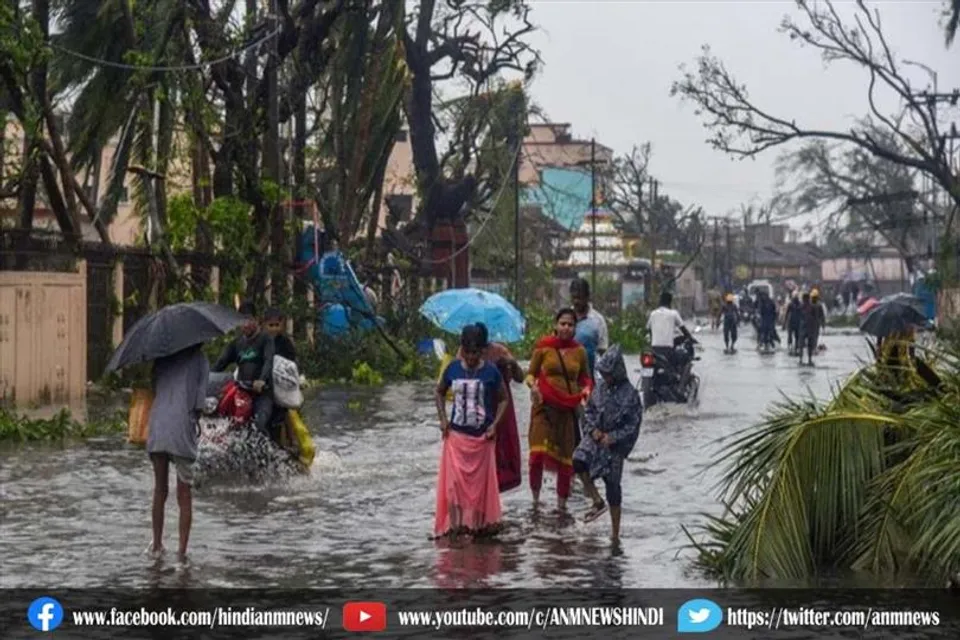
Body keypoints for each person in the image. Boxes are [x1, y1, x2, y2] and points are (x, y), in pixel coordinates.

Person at [434, 325, 508, 538]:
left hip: (482, 439)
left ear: (483, 351)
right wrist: (443, 419)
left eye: (477, 352)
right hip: (456, 438)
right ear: (462, 350)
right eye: (468, 352)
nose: (472, 356)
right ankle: (455, 527)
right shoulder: (453, 369)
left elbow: (503, 398)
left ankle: (476, 527)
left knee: (478, 488)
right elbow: (439, 393)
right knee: (453, 486)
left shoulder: (491, 372)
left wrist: (495, 425)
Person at [572, 345, 642, 544]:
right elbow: (590, 411)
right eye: (603, 373)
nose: (606, 377)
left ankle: (615, 533)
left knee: (613, 486)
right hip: (595, 438)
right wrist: (592, 430)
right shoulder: (600, 388)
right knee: (578, 460)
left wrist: (614, 437)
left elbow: (633, 424)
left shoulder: (631, 394)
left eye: (608, 373)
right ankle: (596, 500)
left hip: (614, 445)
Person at [526, 308, 593, 511]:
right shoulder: (543, 347)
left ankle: (561, 507)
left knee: (566, 461)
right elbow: (530, 374)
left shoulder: (579, 351)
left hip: (567, 410)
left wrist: (587, 390)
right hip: (543, 407)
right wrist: (534, 386)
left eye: (570, 324)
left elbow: (586, 379)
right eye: (562, 323)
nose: (566, 327)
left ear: (575, 328)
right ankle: (535, 502)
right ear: (556, 325)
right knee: (536, 455)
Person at [146, 343, 209, 561]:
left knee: (159, 490)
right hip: (181, 428)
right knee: (184, 494)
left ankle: (156, 545)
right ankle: (181, 552)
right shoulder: (200, 360)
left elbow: (155, 386)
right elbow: (200, 400)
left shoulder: (162, 357)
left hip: (157, 426)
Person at [456, 322, 524, 493]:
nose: (474, 355)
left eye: (479, 349)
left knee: (500, 449)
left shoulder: (500, 351)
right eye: (470, 350)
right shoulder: (463, 352)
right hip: (474, 405)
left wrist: (512, 363)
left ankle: (492, 494)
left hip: (499, 405)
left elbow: (520, 378)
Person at [211, 300, 277, 436]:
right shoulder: (236, 343)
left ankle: (266, 454)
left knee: (259, 424)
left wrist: (261, 380)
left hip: (262, 394)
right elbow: (220, 363)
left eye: (248, 320)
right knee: (222, 420)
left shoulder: (266, 339)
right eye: (241, 321)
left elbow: (268, 361)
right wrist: (205, 379)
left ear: (256, 319)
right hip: (241, 393)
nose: (245, 325)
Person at [570, 278, 609, 377]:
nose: (576, 301)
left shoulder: (598, 320)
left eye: (579, 298)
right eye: (574, 298)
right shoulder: (565, 317)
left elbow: (603, 350)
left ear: (587, 297)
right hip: (568, 378)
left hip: (590, 377)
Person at [646, 291, 694, 367]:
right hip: (668, 351)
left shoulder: (653, 314)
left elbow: (648, 329)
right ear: (670, 302)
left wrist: (652, 342)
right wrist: (692, 339)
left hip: (654, 350)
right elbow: (684, 330)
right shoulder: (673, 313)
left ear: (660, 301)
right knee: (682, 361)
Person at [797, 292, 825, 366]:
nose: (805, 300)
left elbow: (816, 317)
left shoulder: (812, 307)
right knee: (802, 344)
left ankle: (808, 359)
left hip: (808, 328)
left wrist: (817, 326)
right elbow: (798, 317)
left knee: (808, 344)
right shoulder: (801, 307)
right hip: (804, 328)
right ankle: (802, 359)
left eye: (805, 299)